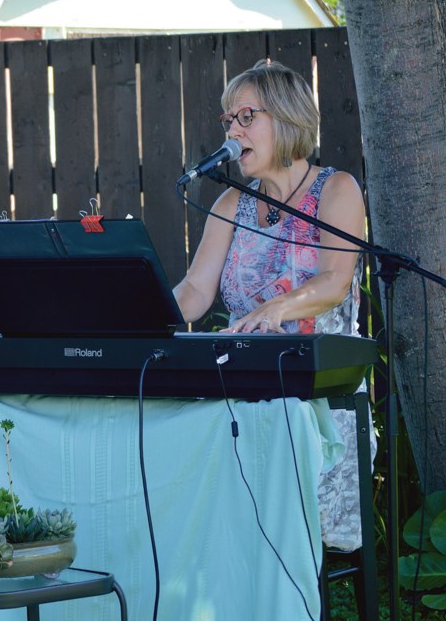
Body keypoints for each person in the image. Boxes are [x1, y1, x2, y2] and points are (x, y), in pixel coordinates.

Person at [172, 59, 373, 551]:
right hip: (248, 389)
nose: (233, 130)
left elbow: (334, 281)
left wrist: (275, 309)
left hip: (319, 398)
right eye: (228, 120)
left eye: (246, 117)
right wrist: (133, 315)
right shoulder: (229, 205)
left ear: (286, 119)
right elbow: (195, 292)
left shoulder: (336, 189)